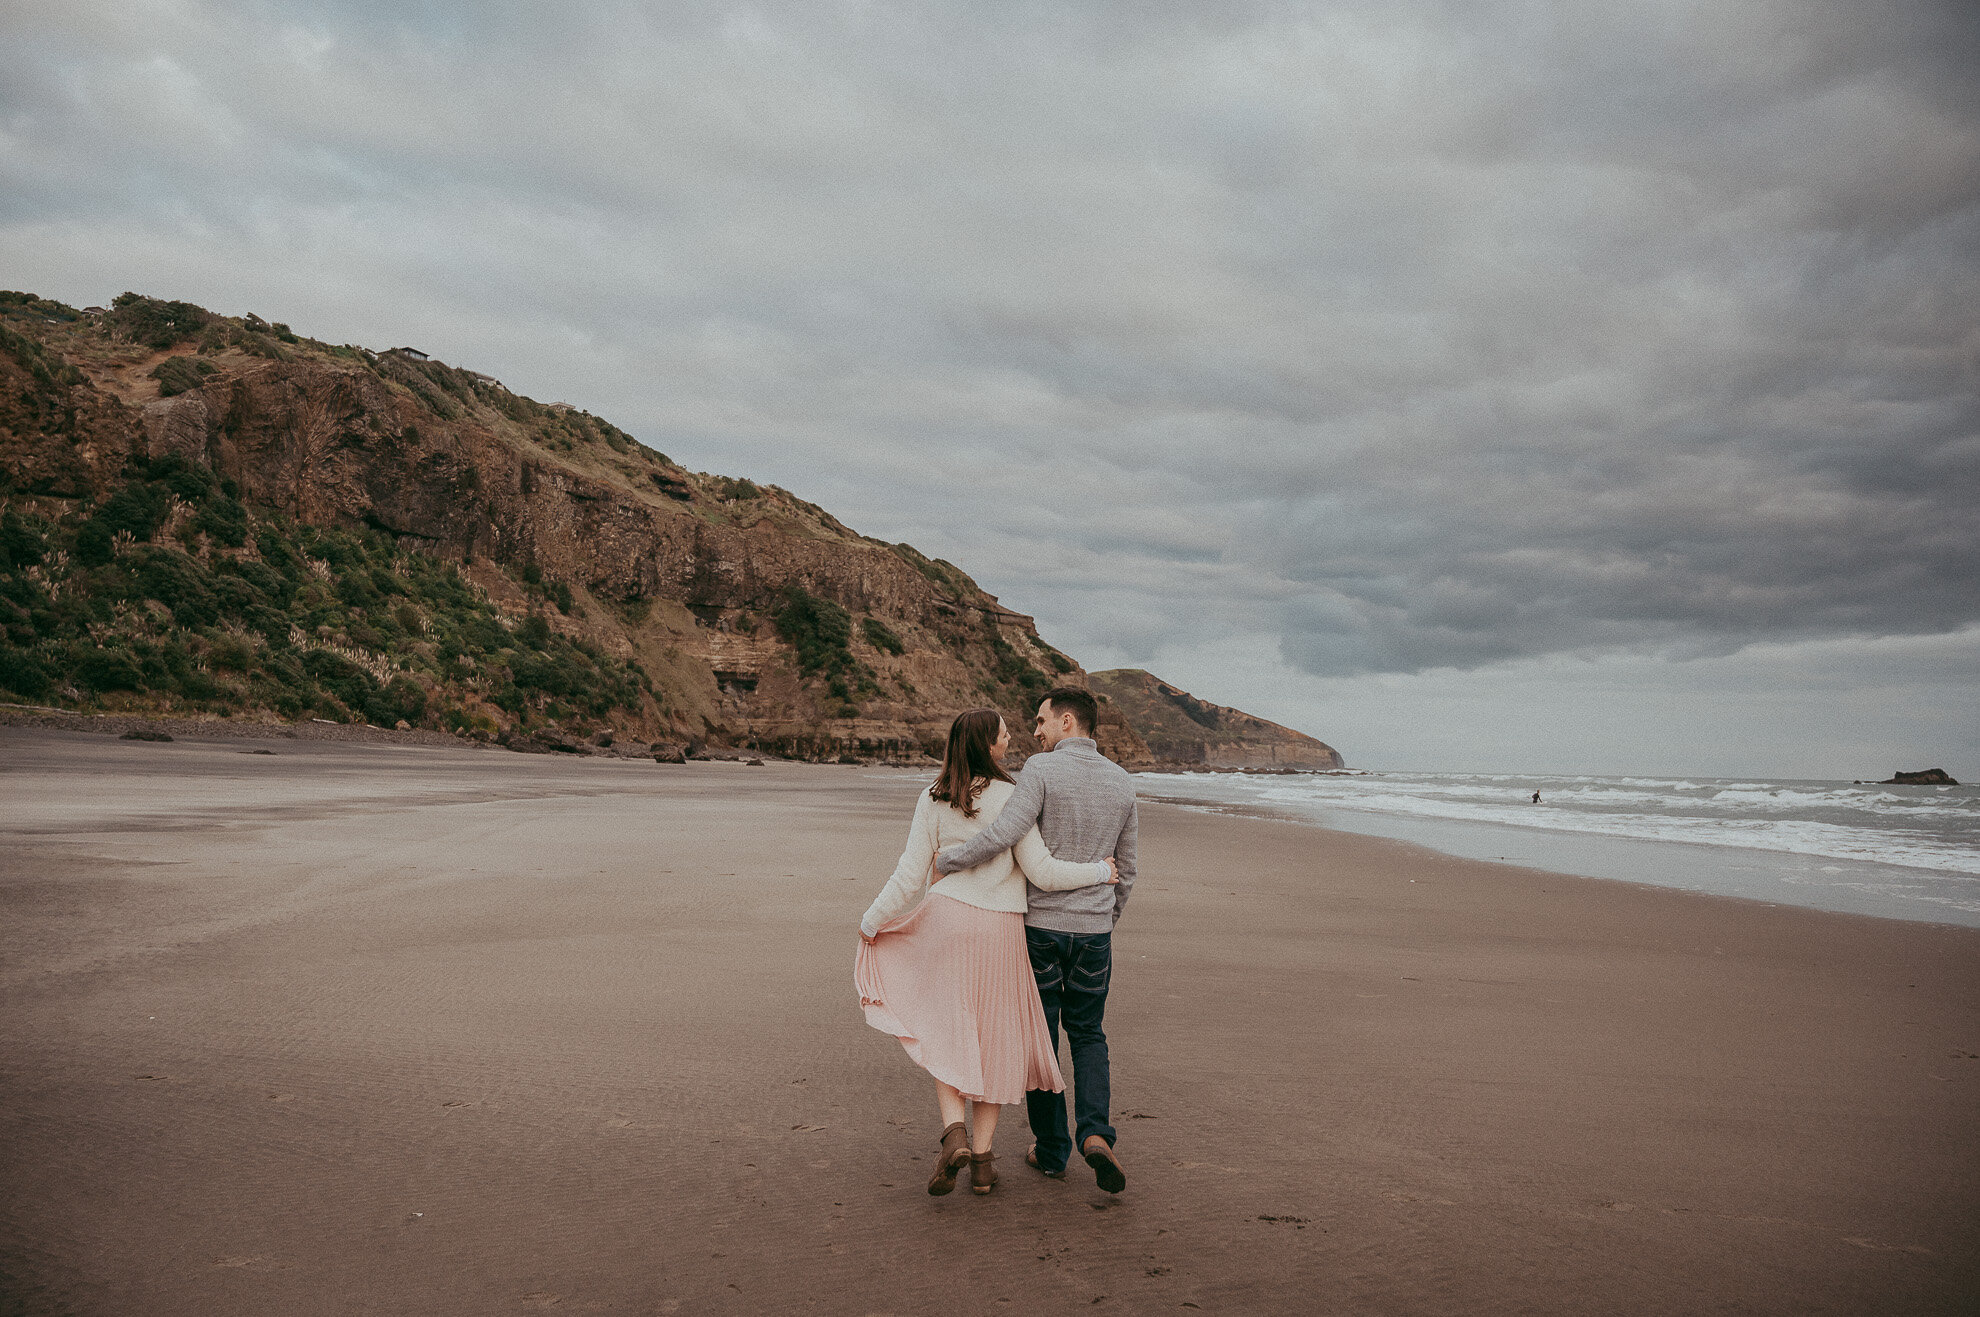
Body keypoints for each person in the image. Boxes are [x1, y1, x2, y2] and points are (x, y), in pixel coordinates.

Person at [856, 707, 1119, 1197]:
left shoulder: (933, 798)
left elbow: (909, 874)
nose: (1012, 738)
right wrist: (1101, 873)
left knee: (944, 1030)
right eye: (1004, 734)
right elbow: (1042, 871)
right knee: (993, 1040)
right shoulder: (1013, 797)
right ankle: (981, 1161)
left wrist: (872, 921)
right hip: (1000, 931)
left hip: (947, 919)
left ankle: (953, 1133)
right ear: (988, 746)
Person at [933, 686, 1137, 1194]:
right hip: (1093, 932)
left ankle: (1051, 1153)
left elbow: (1005, 832)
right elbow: (1127, 869)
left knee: (1041, 1043)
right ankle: (1095, 1134)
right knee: (1089, 1035)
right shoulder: (1121, 782)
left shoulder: (1041, 772)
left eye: (1042, 721)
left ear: (1068, 722)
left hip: (1042, 930)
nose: (1036, 731)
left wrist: (950, 860)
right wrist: (1108, 917)